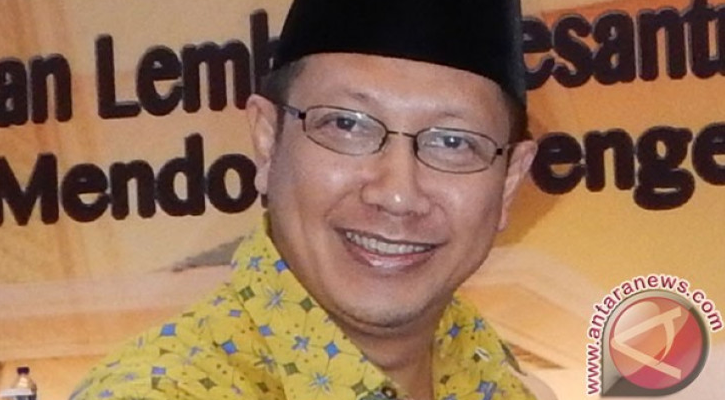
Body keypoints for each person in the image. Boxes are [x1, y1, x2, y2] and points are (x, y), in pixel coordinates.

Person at [70, 0, 542, 399]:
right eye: (346, 125)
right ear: (267, 140)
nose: (398, 195)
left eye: (454, 142)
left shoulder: (499, 382)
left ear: (509, 181)